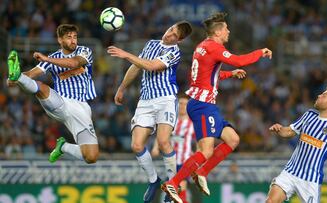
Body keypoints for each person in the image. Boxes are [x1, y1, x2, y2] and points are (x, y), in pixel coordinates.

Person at [161, 12, 272, 203]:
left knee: (233, 139)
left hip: (203, 104)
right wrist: (260, 52)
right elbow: (239, 60)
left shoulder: (202, 47)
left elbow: (207, 75)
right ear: (219, 31)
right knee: (205, 151)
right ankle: (174, 182)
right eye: (226, 28)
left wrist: (230, 74)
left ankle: (201, 171)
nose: (228, 31)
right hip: (203, 106)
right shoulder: (214, 48)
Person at [107, 21, 192, 203]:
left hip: (166, 100)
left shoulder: (174, 52)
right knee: (136, 145)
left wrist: (125, 54)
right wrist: (122, 88)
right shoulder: (151, 44)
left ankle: (172, 186)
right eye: (170, 30)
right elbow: (136, 66)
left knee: (163, 142)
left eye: (174, 36)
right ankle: (154, 181)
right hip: (145, 101)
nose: (169, 35)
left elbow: (152, 66)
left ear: (180, 40)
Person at [7, 24, 99, 164]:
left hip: (81, 109)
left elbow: (74, 63)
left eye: (75, 37)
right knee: (42, 88)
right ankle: (17, 77)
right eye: (69, 37)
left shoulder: (84, 51)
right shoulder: (53, 57)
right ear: (60, 40)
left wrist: (47, 60)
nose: (73, 40)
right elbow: (31, 74)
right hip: (60, 102)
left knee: (91, 157)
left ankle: (63, 147)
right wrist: (15, 79)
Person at [266, 85, 327, 203]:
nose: (319, 95)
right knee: (270, 201)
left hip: (311, 180)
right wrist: (280, 129)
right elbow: (289, 131)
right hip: (290, 172)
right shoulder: (309, 114)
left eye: (324, 95)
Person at [151, 94, 195, 203]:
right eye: (180, 103)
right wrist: (155, 147)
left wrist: (198, 153)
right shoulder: (171, 120)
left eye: (185, 104)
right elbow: (162, 135)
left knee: (181, 184)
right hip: (171, 160)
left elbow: (200, 140)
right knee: (174, 188)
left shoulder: (192, 123)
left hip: (185, 160)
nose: (182, 106)